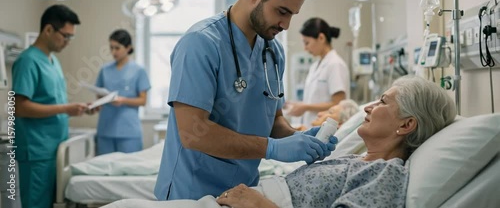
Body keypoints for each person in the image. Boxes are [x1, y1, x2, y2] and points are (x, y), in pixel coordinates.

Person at [101, 75, 456, 208]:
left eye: (382, 102)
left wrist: (259, 205)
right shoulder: (354, 161)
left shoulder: (387, 175)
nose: (368, 105)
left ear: (406, 125)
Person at [154, 0, 338, 201]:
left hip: (245, 193)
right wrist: (272, 149)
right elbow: (191, 134)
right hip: (192, 193)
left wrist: (297, 138)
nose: (286, 25)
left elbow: (274, 121)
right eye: (282, 12)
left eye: (292, 15)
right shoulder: (199, 44)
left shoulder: (274, 52)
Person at [12, 5, 93, 208]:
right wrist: (66, 109)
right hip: (37, 152)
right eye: (65, 36)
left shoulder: (53, 61)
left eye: (71, 37)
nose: (67, 42)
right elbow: (19, 107)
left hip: (55, 149)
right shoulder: (28, 61)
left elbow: (51, 103)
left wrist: (80, 108)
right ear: (48, 30)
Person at [286, 17, 350, 129]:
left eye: (307, 43)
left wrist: (305, 107)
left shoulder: (335, 64)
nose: (305, 48)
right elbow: (314, 99)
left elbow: (338, 103)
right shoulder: (315, 66)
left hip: (327, 129)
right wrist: (300, 105)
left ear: (321, 38)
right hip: (312, 127)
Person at [95, 29, 151, 155]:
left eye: (117, 48)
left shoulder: (139, 70)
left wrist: (123, 100)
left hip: (129, 130)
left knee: (130, 170)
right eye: (111, 48)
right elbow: (98, 95)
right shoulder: (105, 70)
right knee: (104, 170)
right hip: (106, 129)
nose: (113, 52)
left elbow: (143, 100)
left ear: (128, 48)